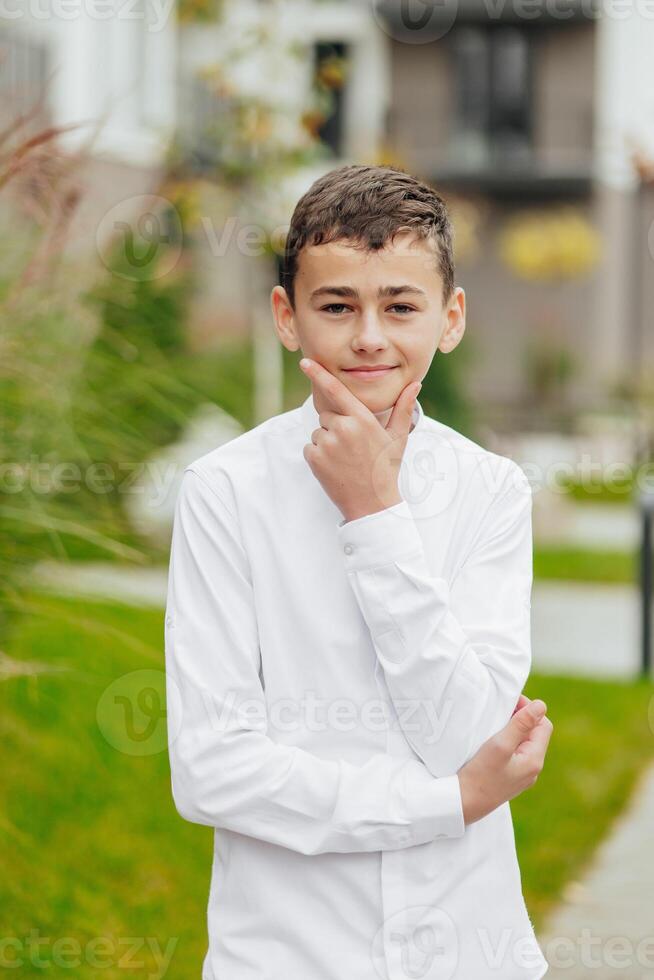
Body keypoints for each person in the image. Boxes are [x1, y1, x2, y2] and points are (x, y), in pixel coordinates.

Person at [164, 164, 554, 980]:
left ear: (450, 319)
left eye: (400, 306)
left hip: (469, 949)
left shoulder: (491, 490)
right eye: (337, 305)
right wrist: (444, 803)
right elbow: (213, 772)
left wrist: (375, 514)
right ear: (286, 316)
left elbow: (467, 733)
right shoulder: (226, 492)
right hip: (289, 954)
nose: (370, 336)